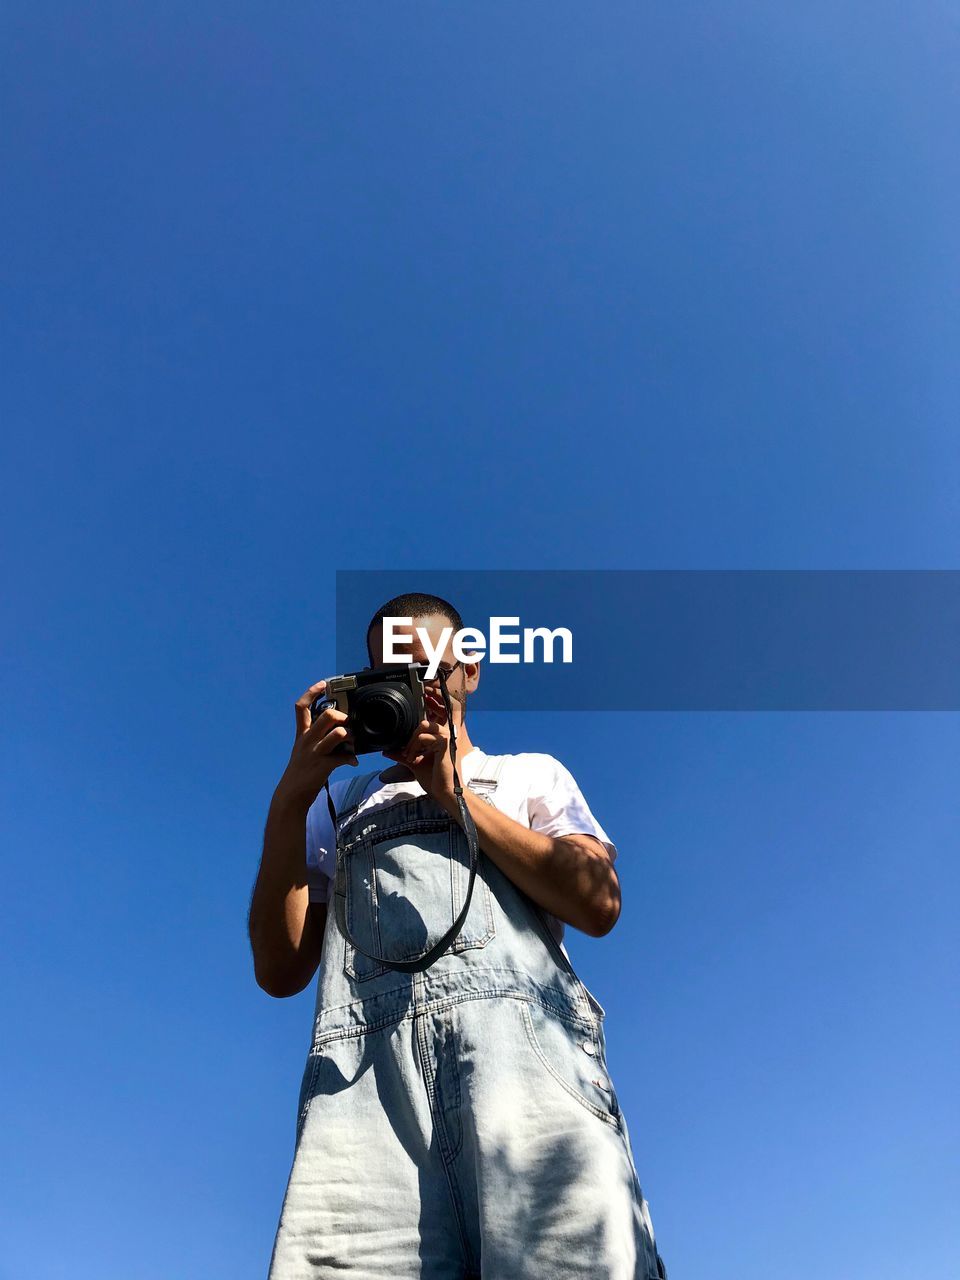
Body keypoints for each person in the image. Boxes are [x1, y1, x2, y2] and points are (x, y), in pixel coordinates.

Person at [248, 592, 667, 1280]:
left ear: (468, 668)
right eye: (386, 673)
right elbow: (279, 970)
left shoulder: (530, 774)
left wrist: (453, 794)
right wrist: (291, 799)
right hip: (364, 1096)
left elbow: (599, 903)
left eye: (422, 667)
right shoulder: (342, 807)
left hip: (525, 1077)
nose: (405, 687)